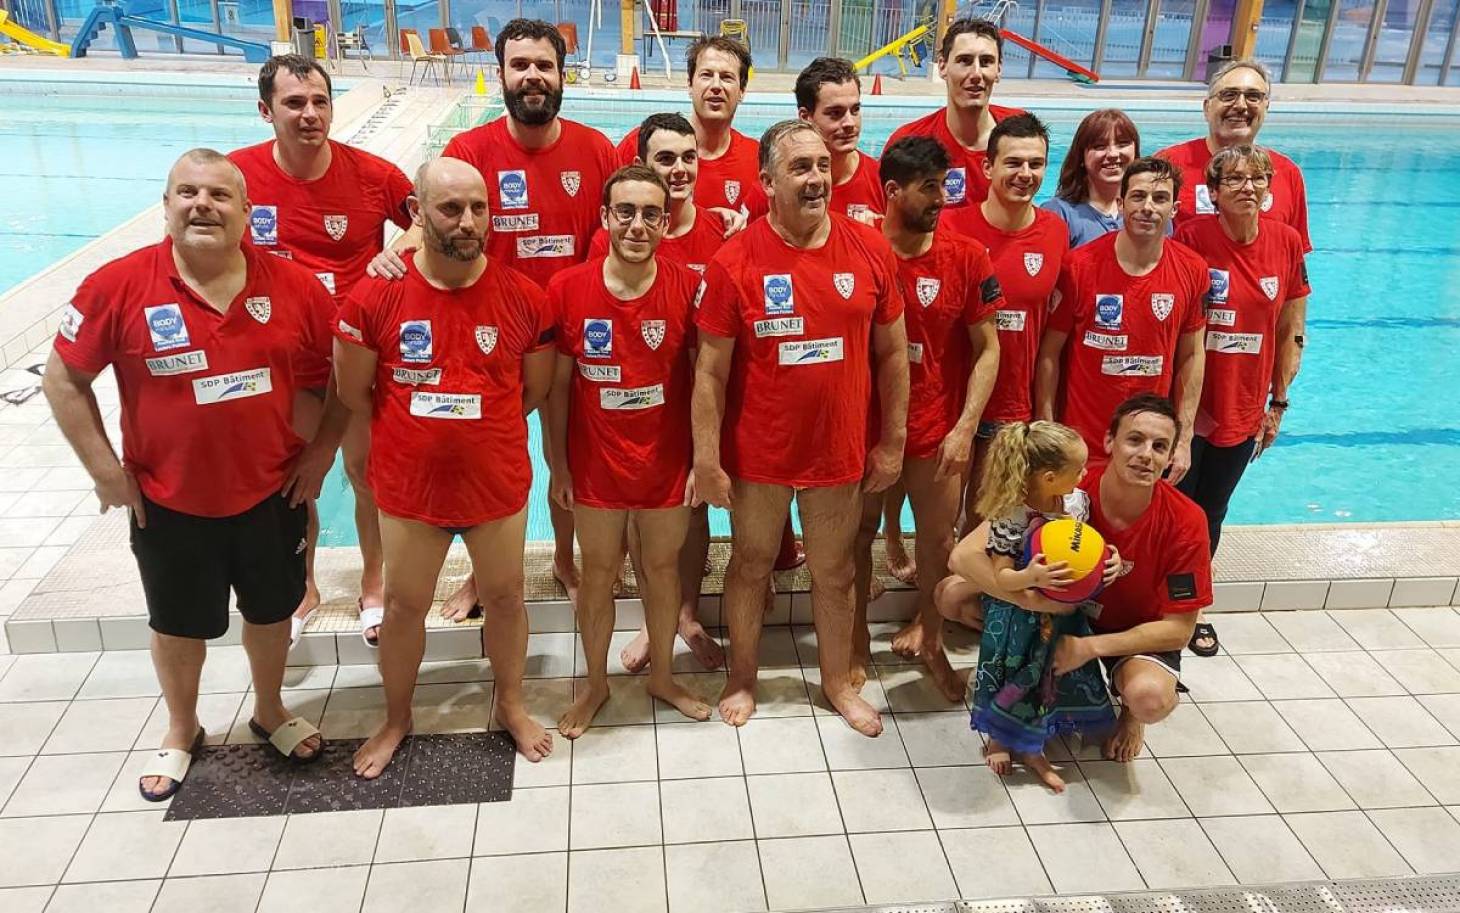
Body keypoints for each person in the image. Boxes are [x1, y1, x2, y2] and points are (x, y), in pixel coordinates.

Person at [43, 149, 340, 799]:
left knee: (271, 611)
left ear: (247, 214)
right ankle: (182, 727)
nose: (202, 204)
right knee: (177, 623)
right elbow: (63, 377)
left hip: (270, 490)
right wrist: (104, 472)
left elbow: (338, 380)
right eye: (187, 192)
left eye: (219, 195)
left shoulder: (294, 287)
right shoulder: (116, 286)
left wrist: (319, 456)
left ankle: (270, 709)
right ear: (167, 205)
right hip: (168, 499)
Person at [371, 18, 618, 612]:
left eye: (544, 65)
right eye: (520, 65)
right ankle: (482, 575)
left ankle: (564, 557)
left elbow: (612, 238)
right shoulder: (471, 151)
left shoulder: (594, 150)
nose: (532, 76)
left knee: (565, 458)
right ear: (501, 74)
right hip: (487, 337)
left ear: (563, 75)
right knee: (479, 460)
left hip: (569, 336)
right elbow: (428, 220)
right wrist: (393, 253)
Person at [336, 158, 556, 777]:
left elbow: (531, 393)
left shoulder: (522, 297)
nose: (468, 222)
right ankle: (397, 717)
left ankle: (510, 703)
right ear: (416, 212)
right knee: (405, 607)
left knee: (508, 598)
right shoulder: (376, 294)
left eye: (479, 209)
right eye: (450, 208)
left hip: (496, 483)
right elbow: (355, 392)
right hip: (410, 488)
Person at [694, 120, 909, 736]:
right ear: (766, 182)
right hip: (759, 452)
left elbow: (894, 354)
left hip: (837, 450)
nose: (816, 178)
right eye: (799, 168)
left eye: (821, 166)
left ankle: (837, 682)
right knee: (751, 564)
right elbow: (709, 373)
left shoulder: (869, 250)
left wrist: (890, 441)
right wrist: (707, 460)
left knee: (835, 570)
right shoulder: (734, 261)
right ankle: (742, 677)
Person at [230, 54, 414, 647]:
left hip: (354, 356)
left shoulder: (374, 174)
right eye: (294, 103)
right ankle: (305, 586)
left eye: (319, 102)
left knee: (365, 475)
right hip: (280, 359)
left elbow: (425, 219)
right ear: (266, 111)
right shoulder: (240, 176)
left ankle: (375, 582)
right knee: (296, 478)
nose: (310, 114)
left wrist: (397, 252)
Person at [951, 394, 1212, 762]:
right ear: (1109, 442)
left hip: (1129, 632)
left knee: (1149, 698)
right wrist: (1031, 599)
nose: (1146, 455)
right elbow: (963, 556)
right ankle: (1018, 684)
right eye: (1134, 440)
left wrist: (1088, 649)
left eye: (1159, 446)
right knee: (952, 596)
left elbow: (1178, 631)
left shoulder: (1186, 521)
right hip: (1064, 615)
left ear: (1171, 458)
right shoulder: (1067, 490)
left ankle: (1129, 713)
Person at [546, 165, 713, 736]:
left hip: (666, 466)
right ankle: (595, 683)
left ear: (665, 223)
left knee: (661, 572)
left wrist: (699, 460)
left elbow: (703, 381)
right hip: (595, 468)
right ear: (605, 218)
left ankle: (663, 675)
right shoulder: (568, 289)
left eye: (650, 214)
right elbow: (558, 389)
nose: (637, 225)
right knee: (597, 574)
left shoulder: (689, 288)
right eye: (626, 212)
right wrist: (558, 465)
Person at [856, 134, 999, 702]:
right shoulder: (861, 249)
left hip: (938, 429)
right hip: (865, 431)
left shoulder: (966, 258)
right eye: (929, 188)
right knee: (856, 538)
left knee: (938, 542)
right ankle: (852, 648)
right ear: (892, 191)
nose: (942, 198)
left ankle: (932, 639)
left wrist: (966, 427)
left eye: (944, 186)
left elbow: (988, 348)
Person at [590, 113, 732, 675]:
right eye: (665, 158)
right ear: (642, 165)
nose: (678, 169)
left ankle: (686, 615)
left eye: (687, 157)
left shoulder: (723, 232)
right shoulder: (619, 234)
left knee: (693, 514)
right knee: (636, 520)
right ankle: (656, 619)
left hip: (695, 404)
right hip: (631, 408)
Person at [1173, 146, 1309, 656]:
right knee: (1176, 507)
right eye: (1235, 179)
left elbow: (1289, 326)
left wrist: (1279, 402)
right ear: (1213, 193)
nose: (1248, 187)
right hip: (1188, 405)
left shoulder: (1286, 242)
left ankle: (1193, 606)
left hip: (1243, 405)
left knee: (1211, 511)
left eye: (1258, 178)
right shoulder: (1191, 238)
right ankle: (1156, 601)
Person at [1033, 157, 1208, 482]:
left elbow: (1192, 355)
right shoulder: (1078, 267)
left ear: (1175, 209)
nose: (1148, 207)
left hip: (1148, 448)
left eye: (1160, 199)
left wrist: (1183, 439)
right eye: (1138, 196)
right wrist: (1048, 429)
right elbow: (1049, 353)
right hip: (1082, 442)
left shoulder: (1192, 270)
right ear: (1120, 202)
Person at [967, 421, 1117, 792]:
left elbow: (1087, 552)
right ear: (1050, 477)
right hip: (1018, 614)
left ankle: (1033, 747)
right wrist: (1030, 577)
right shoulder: (1011, 515)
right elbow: (1001, 576)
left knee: (1048, 677)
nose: (1085, 475)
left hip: (1061, 615)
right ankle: (1000, 737)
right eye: (1078, 469)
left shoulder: (1076, 503)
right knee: (1008, 672)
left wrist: (1109, 560)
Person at [942, 112, 1070, 546]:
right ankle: (936, 612)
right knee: (940, 524)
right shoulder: (952, 227)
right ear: (988, 167)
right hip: (951, 401)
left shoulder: (1055, 231)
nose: (1026, 174)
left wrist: (1045, 410)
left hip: (1012, 407)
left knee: (986, 525)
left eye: (1036, 164)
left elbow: (1056, 326)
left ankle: (974, 610)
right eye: (1014, 162)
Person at [1156, 59, 1310, 251]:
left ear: (1266, 108)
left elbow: (1293, 260)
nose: (1241, 105)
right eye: (1229, 95)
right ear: (1207, 108)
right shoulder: (1167, 164)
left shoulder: (1287, 174)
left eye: (1253, 96)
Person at [615, 36, 768, 220]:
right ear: (689, 84)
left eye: (726, 77)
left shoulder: (758, 158)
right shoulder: (644, 143)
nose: (716, 86)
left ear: (742, 91)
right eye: (706, 75)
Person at [885, 17, 1025, 210]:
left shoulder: (1021, 135)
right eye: (964, 61)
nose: (976, 74)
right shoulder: (909, 141)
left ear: (998, 69)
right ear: (942, 66)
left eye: (986, 62)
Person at [795, 56, 885, 221]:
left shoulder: (882, 181)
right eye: (835, 113)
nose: (850, 123)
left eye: (855, 110)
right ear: (806, 117)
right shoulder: (779, 184)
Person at [1042, 108, 1142, 249]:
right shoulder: (1058, 213)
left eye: (1123, 144)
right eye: (1099, 146)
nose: (1113, 153)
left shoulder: (1151, 210)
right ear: (1081, 157)